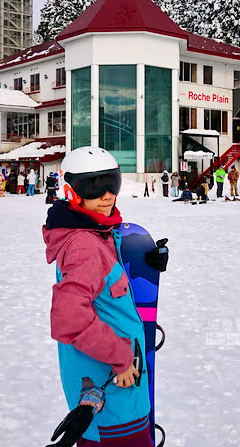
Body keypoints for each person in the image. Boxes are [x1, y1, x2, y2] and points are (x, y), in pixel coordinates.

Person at [43, 146, 153, 446]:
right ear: (71, 191)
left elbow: (104, 284)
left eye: (112, 183)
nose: (107, 195)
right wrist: (120, 358)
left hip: (113, 389)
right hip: (112, 392)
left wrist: (142, 261)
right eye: (94, 186)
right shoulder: (84, 246)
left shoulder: (95, 232)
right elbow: (69, 319)